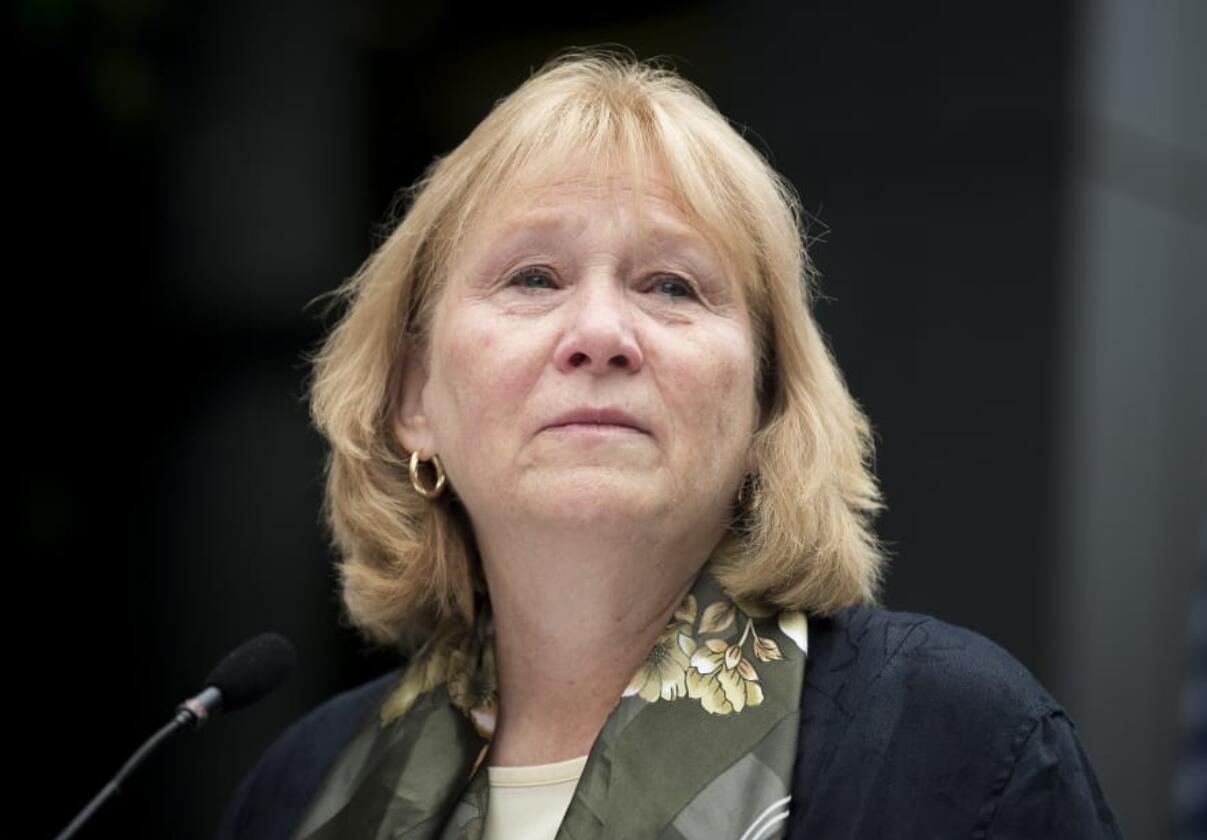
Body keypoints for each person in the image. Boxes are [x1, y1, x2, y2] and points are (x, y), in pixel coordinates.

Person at [216, 50, 1122, 839]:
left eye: (673, 286)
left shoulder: (955, 743)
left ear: (767, 409)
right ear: (414, 399)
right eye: (534, 276)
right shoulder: (299, 789)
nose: (601, 332)